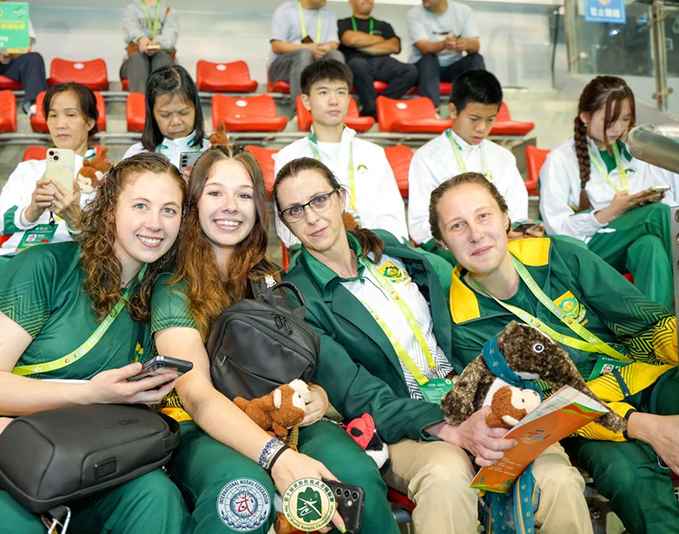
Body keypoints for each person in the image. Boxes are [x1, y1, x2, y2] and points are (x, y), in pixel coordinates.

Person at [274, 157, 593, 534]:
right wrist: (450, 429)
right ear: (284, 224)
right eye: (295, 210)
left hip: (476, 394)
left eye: (319, 200)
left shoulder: (389, 251)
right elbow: (355, 391)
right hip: (405, 423)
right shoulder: (295, 297)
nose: (311, 218)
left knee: (558, 478)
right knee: (446, 476)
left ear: (341, 197)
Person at [0, 153, 191, 533]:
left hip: (73, 448)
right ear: (109, 209)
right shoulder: (46, 267)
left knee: (156, 497)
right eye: (141, 206)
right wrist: (88, 395)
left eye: (169, 210)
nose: (155, 223)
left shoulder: (159, 295)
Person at [151, 144, 398, 533]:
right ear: (194, 203)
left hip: (279, 418)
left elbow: (294, 368)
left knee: (355, 476)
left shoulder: (267, 277)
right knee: (243, 496)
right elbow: (197, 396)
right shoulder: (174, 284)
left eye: (244, 194)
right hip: (201, 428)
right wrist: (277, 457)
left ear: (259, 209)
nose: (230, 205)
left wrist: (317, 397)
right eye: (216, 192)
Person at [430, 172, 679, 534]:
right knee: (627, 475)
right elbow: (542, 406)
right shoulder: (463, 323)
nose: (475, 233)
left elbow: (644, 321)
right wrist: (645, 427)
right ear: (441, 243)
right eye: (457, 226)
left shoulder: (557, 253)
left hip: (645, 377)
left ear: (505, 217)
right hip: (582, 422)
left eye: (483, 216)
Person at [0, 83, 101, 343]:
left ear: (90, 121)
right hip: (18, 253)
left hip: (71, 257)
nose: (60, 123)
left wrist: (75, 216)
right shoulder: (28, 168)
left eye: (70, 114)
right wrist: (31, 210)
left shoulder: (106, 174)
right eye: (53, 115)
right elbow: (1, 221)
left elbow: (108, 235)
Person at [539, 75, 677, 309]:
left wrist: (649, 199)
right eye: (610, 120)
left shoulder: (636, 153)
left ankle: (655, 335)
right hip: (585, 249)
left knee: (650, 247)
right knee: (657, 214)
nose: (618, 128)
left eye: (625, 119)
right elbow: (557, 228)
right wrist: (609, 213)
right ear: (585, 116)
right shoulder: (560, 160)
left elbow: (670, 197)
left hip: (629, 240)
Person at [274, 59, 407, 248]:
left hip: (374, 250)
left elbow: (392, 215)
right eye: (323, 92)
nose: (334, 100)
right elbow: (287, 227)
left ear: (349, 99)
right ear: (306, 101)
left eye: (341, 92)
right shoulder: (288, 157)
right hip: (317, 255)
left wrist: (370, 245)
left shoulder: (373, 153)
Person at [407, 69, 533, 259]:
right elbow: (419, 224)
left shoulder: (502, 157)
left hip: (502, 241)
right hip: (452, 248)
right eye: (474, 119)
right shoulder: (427, 157)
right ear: (452, 110)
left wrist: (510, 231)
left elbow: (517, 212)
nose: (481, 128)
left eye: (490, 119)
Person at [338, 0, 418, 118]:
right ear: (351, 2)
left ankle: (378, 106)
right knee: (358, 66)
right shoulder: (343, 23)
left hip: (383, 62)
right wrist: (379, 39)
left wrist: (360, 45)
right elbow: (349, 40)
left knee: (411, 71)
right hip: (357, 61)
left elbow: (394, 47)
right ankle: (372, 108)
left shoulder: (384, 25)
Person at [123, 66, 208, 169]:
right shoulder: (136, 156)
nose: (176, 122)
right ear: (152, 114)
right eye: (165, 115)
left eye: (184, 112)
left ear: (196, 109)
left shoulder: (211, 150)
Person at [406, 0, 485, 107]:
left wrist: (466, 44)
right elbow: (424, 48)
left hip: (453, 67)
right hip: (425, 69)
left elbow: (475, 46)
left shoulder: (464, 11)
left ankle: (479, 105)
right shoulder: (414, 14)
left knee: (475, 58)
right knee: (429, 58)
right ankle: (431, 109)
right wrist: (444, 44)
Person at [268, 0, 345, 103]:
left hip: (315, 64)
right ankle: (300, 112)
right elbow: (276, 46)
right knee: (304, 53)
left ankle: (337, 106)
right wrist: (308, 48)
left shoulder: (329, 13)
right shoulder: (286, 10)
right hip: (283, 68)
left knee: (335, 55)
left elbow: (334, 44)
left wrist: (325, 48)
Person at [121, 0, 178, 95]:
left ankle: (162, 104)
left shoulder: (169, 11)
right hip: (134, 61)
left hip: (161, 58)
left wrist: (158, 43)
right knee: (138, 59)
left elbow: (170, 37)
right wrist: (141, 39)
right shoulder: (131, 9)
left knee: (162, 58)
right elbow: (130, 30)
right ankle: (140, 106)